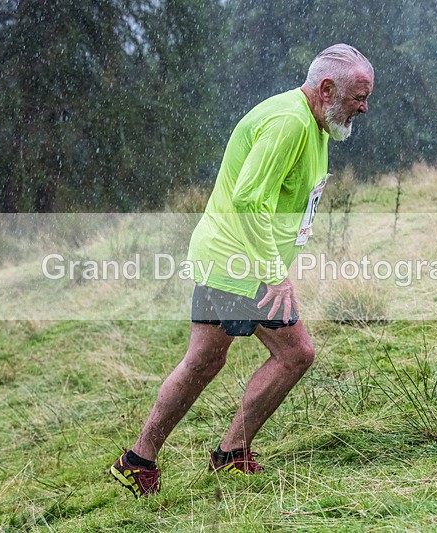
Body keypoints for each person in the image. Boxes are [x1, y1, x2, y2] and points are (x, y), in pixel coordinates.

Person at [110, 43, 374, 497]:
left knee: (204, 361)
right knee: (296, 354)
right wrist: (274, 272)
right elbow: (250, 199)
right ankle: (229, 453)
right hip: (239, 263)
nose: (364, 108)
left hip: (232, 259)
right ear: (327, 89)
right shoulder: (290, 123)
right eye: (358, 97)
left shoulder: (315, 123)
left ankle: (139, 459)